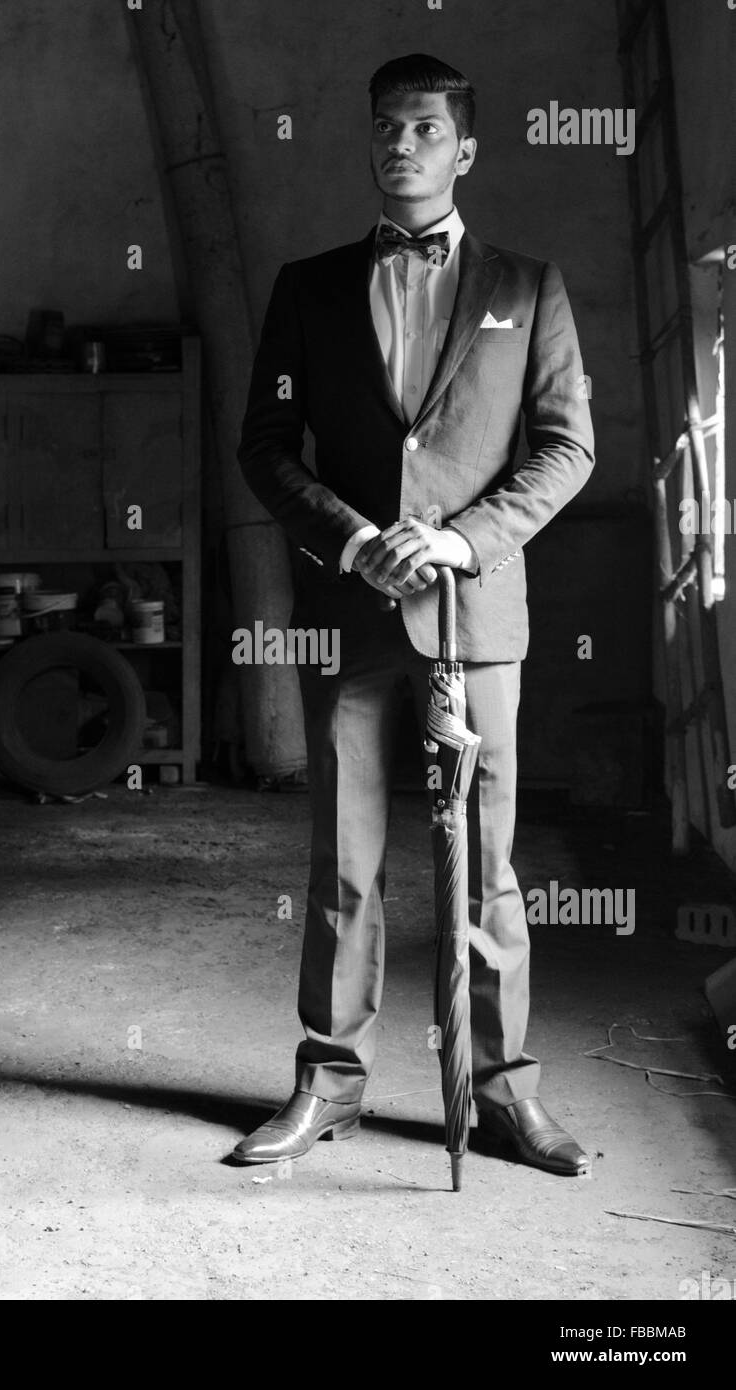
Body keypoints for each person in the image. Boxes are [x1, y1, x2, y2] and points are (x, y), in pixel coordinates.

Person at [234, 53, 594, 1176]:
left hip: (476, 618)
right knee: (345, 861)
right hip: (352, 608)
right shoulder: (308, 287)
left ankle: (500, 1093)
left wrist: (460, 538)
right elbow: (264, 447)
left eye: (426, 129)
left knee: (488, 861)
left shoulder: (529, 287)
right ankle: (329, 1085)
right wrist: (351, 537)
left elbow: (568, 446)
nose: (402, 145)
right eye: (387, 127)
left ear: (466, 150)